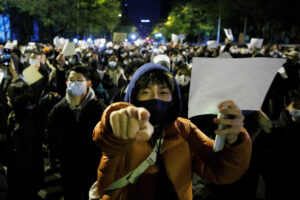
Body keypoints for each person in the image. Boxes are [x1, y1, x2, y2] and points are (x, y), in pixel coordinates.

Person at [92, 63, 252, 200]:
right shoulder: (124, 131)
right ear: (133, 96)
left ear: (173, 98)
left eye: (163, 93)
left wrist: (234, 140)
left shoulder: (184, 129)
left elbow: (220, 170)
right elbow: (106, 137)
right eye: (146, 93)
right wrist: (116, 124)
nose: (155, 99)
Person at [47, 65, 106, 200]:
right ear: (67, 83)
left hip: (92, 165)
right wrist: (56, 155)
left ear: (88, 83)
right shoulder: (58, 109)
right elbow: (51, 135)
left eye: (79, 80)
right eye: (71, 80)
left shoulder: (99, 109)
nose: (74, 83)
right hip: (68, 165)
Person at [6, 80, 44, 200]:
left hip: (24, 176)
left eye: (9, 95)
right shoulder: (14, 115)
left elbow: (33, 155)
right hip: (18, 170)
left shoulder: (26, 123)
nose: (6, 97)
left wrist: (39, 185)